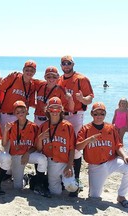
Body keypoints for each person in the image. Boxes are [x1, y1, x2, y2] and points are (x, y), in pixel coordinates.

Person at [76, 102, 128, 208]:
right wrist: (88, 140)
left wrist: (124, 156)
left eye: (102, 113)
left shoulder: (111, 128)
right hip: (96, 166)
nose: (99, 116)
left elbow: (118, 145)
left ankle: (121, 196)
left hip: (111, 161)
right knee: (94, 197)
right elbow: (78, 147)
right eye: (96, 114)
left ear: (105, 114)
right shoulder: (85, 129)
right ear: (91, 114)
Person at [57, 55, 94, 194]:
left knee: (76, 147)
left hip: (76, 115)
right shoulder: (59, 80)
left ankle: (77, 179)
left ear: (73, 64)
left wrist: (82, 99)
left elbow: (89, 99)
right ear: (61, 66)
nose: (66, 65)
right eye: (63, 63)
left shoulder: (81, 79)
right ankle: (64, 178)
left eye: (68, 63)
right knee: (63, 146)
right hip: (60, 116)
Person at [2, 100, 49, 197]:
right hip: (16, 155)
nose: (20, 114)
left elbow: (37, 147)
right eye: (17, 112)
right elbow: (4, 143)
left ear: (27, 111)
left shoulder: (34, 126)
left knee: (42, 159)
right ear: (14, 113)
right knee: (18, 187)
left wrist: (27, 153)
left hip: (29, 154)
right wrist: (6, 131)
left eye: (23, 111)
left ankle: (39, 184)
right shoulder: (11, 126)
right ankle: (26, 179)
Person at [36, 97, 79, 196]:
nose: (54, 111)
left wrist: (69, 165)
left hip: (65, 162)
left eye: (57, 108)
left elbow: (72, 148)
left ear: (61, 110)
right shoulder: (43, 126)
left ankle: (76, 182)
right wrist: (40, 138)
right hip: (52, 163)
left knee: (72, 187)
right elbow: (38, 149)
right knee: (56, 193)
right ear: (47, 110)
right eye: (52, 108)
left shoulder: (68, 126)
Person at [0, 60, 43, 133]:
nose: (29, 72)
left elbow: (31, 103)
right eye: (27, 70)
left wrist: (45, 108)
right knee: (5, 142)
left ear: (35, 72)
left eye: (32, 71)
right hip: (6, 115)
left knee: (17, 142)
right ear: (23, 70)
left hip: (20, 117)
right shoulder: (14, 77)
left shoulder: (32, 85)